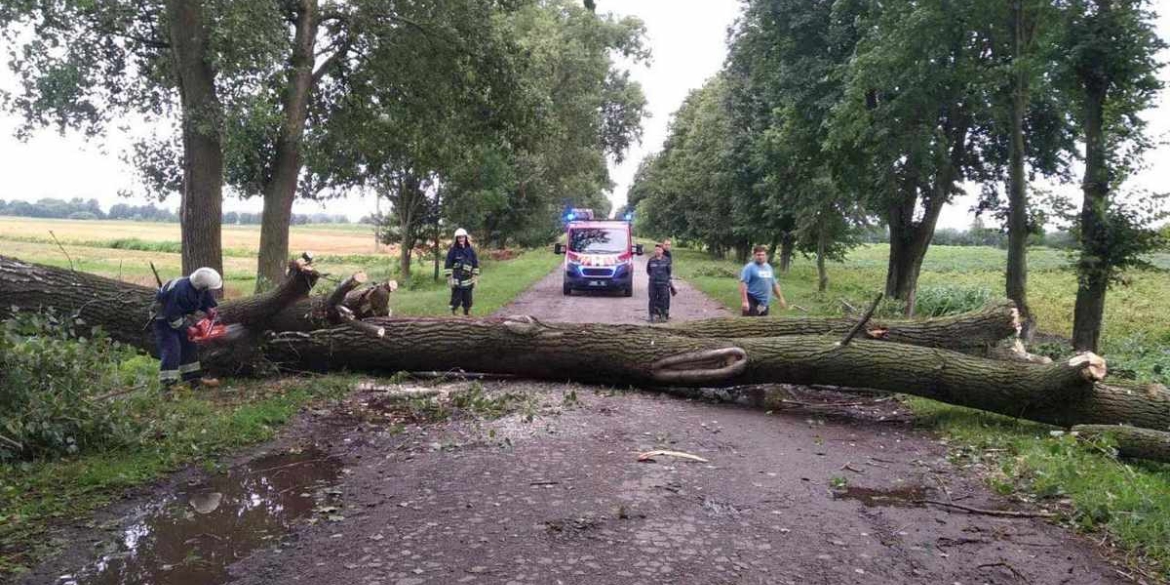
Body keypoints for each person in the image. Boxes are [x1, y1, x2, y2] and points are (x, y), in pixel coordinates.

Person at [152, 267, 222, 389]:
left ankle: (193, 380)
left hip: (179, 316)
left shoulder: (200, 288)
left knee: (190, 346)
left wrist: (209, 310)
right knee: (172, 349)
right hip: (163, 318)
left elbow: (205, 300)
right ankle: (168, 386)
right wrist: (188, 328)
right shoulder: (180, 290)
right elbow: (171, 315)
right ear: (201, 285)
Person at [739, 245, 787, 317]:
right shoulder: (749, 267)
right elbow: (743, 284)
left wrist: (781, 298)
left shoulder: (768, 267)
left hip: (764, 303)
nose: (760, 257)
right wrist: (745, 301)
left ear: (766, 256)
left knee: (763, 325)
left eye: (762, 255)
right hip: (752, 300)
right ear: (754, 255)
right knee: (750, 325)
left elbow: (774, 284)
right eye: (758, 255)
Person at [444, 228, 480, 316]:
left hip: (468, 279)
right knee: (456, 297)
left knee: (468, 297)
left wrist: (475, 278)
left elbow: (475, 264)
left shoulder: (470, 250)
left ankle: (466, 312)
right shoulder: (453, 250)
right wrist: (449, 279)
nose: (461, 239)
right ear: (456, 239)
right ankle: (454, 311)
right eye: (459, 238)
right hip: (457, 279)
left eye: (462, 237)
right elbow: (448, 264)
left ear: (466, 238)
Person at [646, 242, 673, 322]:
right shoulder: (651, 260)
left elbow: (669, 271)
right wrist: (654, 277)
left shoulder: (666, 260)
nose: (657, 251)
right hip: (653, 283)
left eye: (659, 250)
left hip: (663, 283)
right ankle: (651, 315)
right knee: (652, 299)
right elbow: (648, 271)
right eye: (656, 250)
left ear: (662, 251)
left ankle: (663, 315)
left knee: (663, 299)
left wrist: (666, 279)